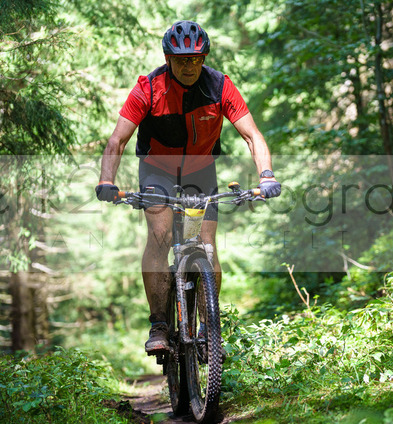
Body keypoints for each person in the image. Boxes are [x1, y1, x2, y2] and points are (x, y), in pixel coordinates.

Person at [95, 20, 280, 353]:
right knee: (160, 235)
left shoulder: (220, 86)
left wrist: (266, 175)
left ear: (204, 58)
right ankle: (159, 325)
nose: (189, 66)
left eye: (195, 58)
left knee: (206, 246)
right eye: (181, 60)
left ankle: (209, 329)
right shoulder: (149, 89)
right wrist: (106, 180)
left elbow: (253, 135)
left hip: (200, 171)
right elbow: (117, 140)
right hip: (157, 171)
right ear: (168, 59)